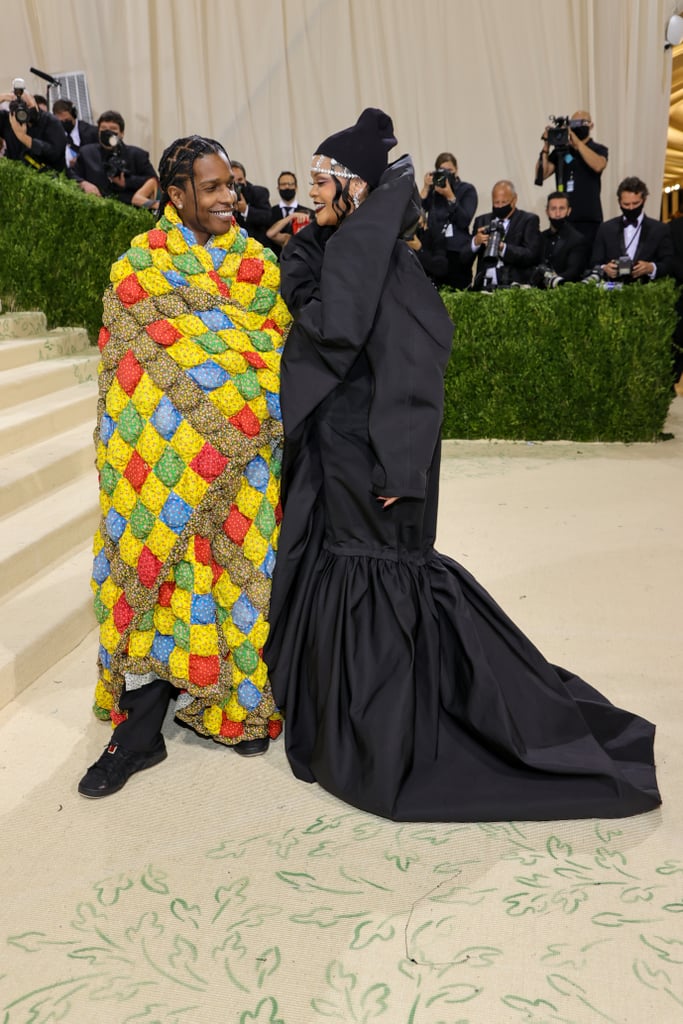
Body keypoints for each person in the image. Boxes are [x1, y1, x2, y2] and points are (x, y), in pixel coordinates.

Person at [263, 107, 660, 823]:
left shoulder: (376, 259)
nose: (313, 188)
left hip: (375, 460)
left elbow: (410, 372)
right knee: (341, 567)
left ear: (354, 185)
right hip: (339, 451)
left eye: (324, 177)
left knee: (380, 578)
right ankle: (338, 718)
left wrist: (401, 472)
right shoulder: (348, 244)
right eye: (315, 175)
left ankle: (383, 736)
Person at [78, 135, 291, 798]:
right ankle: (139, 732)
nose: (231, 197)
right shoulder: (137, 269)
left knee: (244, 577)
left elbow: (270, 355)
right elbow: (131, 384)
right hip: (161, 470)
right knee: (155, 575)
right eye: (213, 188)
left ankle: (236, 704)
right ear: (175, 196)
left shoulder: (257, 267)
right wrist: (178, 453)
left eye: (232, 184)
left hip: (245, 470)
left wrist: (234, 426)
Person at [535, 110, 608, 249]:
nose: (576, 126)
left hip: (589, 218)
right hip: (563, 218)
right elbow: (541, 174)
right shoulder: (562, 151)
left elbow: (598, 165)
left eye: (581, 122)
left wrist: (576, 142)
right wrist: (546, 146)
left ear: (591, 125)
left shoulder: (598, 149)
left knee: (588, 259)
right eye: (573, 123)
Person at [590, 176, 673, 284]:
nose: (631, 208)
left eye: (635, 203)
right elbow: (594, 263)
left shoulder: (660, 229)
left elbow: (669, 263)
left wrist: (651, 268)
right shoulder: (606, 228)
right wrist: (605, 268)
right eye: (626, 204)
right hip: (612, 291)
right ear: (619, 202)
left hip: (646, 292)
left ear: (644, 200)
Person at [68, 110, 159, 207]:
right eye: (103, 129)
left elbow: (153, 182)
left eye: (113, 129)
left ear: (122, 133)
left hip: (129, 209)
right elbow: (71, 174)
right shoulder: (87, 152)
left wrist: (127, 182)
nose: (108, 133)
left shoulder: (137, 155)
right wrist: (84, 184)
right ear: (98, 132)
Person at [467, 180, 541, 289]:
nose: (500, 206)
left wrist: (503, 248)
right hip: (485, 286)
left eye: (504, 202)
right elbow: (464, 258)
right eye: (496, 202)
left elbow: (531, 255)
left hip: (515, 287)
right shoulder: (482, 221)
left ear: (514, 199)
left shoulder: (528, 220)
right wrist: (475, 242)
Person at [419, 151, 477, 289]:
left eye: (449, 170)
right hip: (435, 251)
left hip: (456, 251)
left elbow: (464, 220)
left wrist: (450, 196)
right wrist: (426, 188)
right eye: (442, 171)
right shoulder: (434, 191)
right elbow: (417, 212)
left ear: (456, 170)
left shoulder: (466, 189)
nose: (446, 174)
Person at [530, 191, 589, 288]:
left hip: (564, 292)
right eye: (553, 209)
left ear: (569, 211)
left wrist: (553, 280)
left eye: (561, 208)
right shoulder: (541, 237)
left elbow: (574, 272)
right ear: (547, 211)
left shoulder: (577, 239)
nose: (557, 213)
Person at [0, 85, 65, 171]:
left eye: (28, 105)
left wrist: (24, 137)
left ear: (33, 100)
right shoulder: (9, 120)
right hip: (17, 177)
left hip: (47, 177)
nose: (26, 110)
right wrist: (3, 97)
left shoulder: (50, 121)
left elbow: (55, 153)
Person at [266, 170, 314, 256]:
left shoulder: (309, 213)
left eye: (290, 184)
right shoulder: (269, 212)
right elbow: (269, 234)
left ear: (296, 187)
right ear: (278, 187)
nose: (287, 187)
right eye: (283, 184)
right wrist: (292, 216)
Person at [230, 159, 272, 247]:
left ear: (245, 178)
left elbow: (267, 217)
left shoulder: (259, 192)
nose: (237, 184)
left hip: (257, 245)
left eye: (240, 179)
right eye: (233, 181)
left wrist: (246, 210)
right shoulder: (223, 195)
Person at [52, 97, 98, 168]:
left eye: (67, 120)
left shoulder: (92, 132)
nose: (64, 123)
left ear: (74, 115)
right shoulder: (55, 135)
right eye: (60, 121)